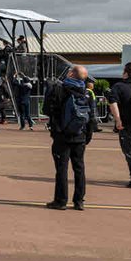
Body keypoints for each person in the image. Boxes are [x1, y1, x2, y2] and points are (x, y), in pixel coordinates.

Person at [44, 65, 95, 210]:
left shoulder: (59, 89)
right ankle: (79, 201)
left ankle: (61, 200)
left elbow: (47, 110)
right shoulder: (87, 92)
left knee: (62, 168)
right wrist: (88, 136)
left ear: (72, 74)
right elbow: (91, 117)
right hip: (80, 135)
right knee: (79, 168)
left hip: (62, 135)